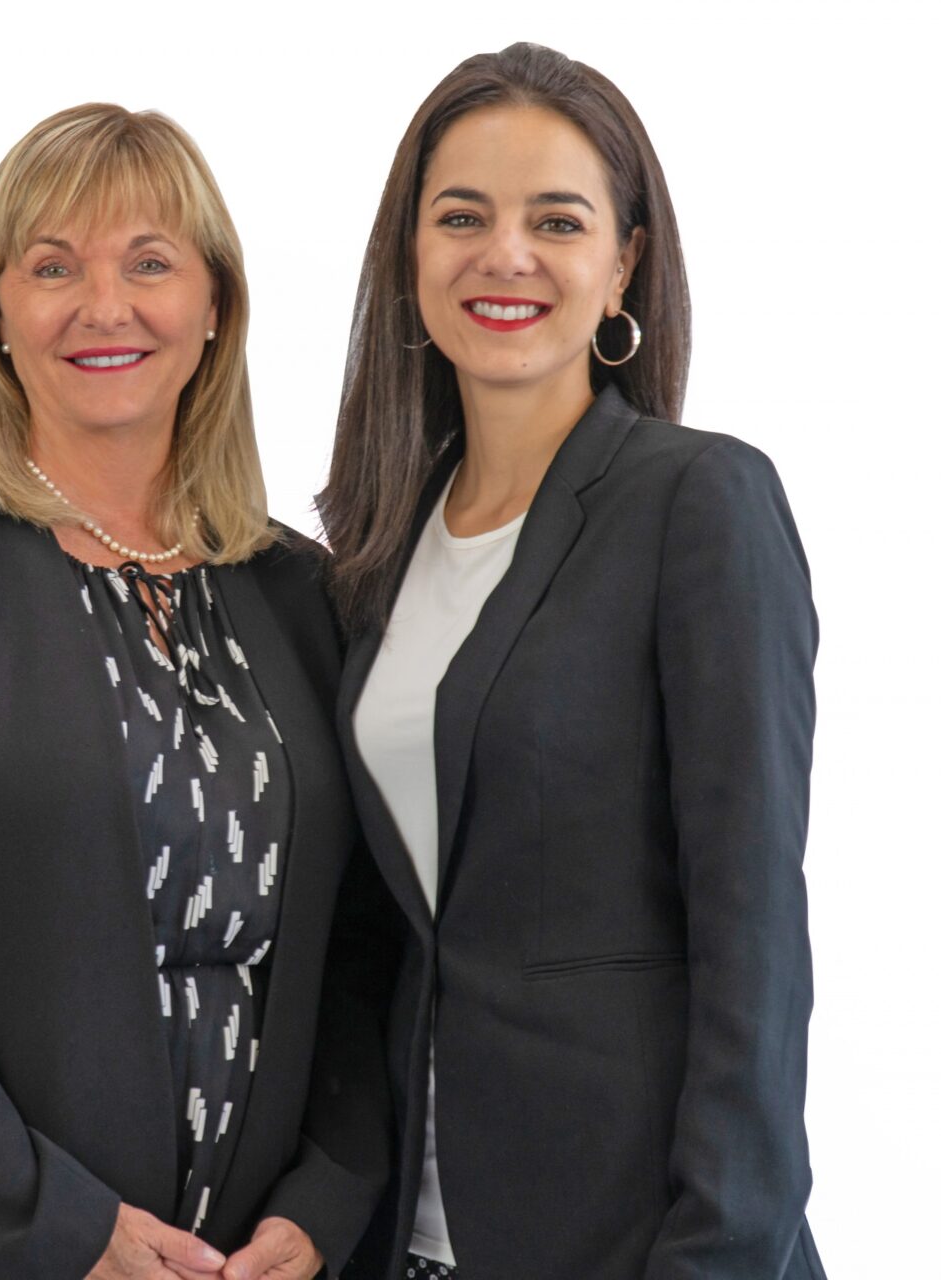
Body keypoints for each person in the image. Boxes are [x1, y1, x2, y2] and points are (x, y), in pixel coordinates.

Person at [0, 103, 390, 1280]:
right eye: (53, 266)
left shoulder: (297, 589)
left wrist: (326, 1198)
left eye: (149, 263)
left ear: (215, 307)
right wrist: (58, 1224)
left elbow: (359, 942)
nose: (104, 306)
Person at [320, 43, 825, 1279]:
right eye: (462, 217)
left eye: (557, 220)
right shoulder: (378, 550)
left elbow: (754, 940)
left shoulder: (698, 502)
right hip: (417, 1240)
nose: (506, 254)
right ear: (409, 254)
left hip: (633, 1241)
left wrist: (713, 1255)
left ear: (624, 265)